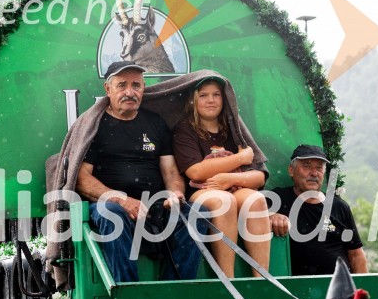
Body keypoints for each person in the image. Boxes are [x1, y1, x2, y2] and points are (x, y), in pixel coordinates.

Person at [77, 61, 203, 282]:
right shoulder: (93, 126)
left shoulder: (155, 123)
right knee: (111, 212)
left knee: (195, 213)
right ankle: (131, 298)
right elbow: (81, 179)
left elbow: (171, 173)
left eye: (136, 85)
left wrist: (175, 194)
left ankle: (174, 295)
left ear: (143, 88)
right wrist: (122, 200)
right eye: (122, 85)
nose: (129, 92)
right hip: (111, 205)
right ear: (108, 89)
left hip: (155, 206)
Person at [173, 76, 270, 277]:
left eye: (216, 95)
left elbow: (259, 177)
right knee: (224, 201)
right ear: (193, 100)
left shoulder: (234, 129)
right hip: (200, 192)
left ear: (225, 99)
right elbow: (196, 172)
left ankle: (262, 281)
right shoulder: (185, 130)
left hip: (233, 187)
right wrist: (240, 158)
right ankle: (228, 281)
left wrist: (231, 179)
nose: (211, 100)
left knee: (256, 200)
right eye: (204, 95)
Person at [268, 144, 368, 275]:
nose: (314, 173)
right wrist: (270, 215)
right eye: (307, 166)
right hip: (294, 290)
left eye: (319, 167)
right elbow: (250, 213)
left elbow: (356, 256)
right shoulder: (277, 199)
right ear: (291, 170)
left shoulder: (339, 206)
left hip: (338, 289)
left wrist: (361, 292)